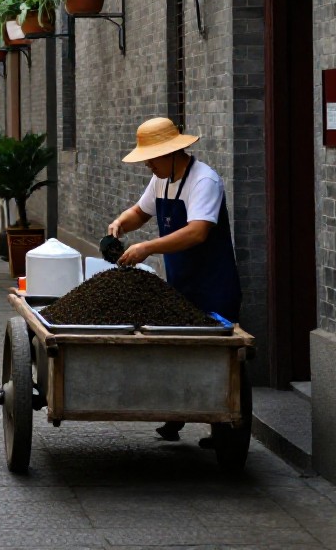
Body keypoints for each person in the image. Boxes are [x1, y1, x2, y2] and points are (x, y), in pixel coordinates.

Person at [106, 116, 242, 442]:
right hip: (182, 285)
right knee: (175, 352)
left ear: (170, 153)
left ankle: (222, 427)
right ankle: (174, 416)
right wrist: (121, 224)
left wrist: (146, 248)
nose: (148, 165)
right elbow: (141, 211)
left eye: (151, 158)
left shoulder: (203, 181)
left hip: (214, 287)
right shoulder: (161, 179)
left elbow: (197, 232)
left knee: (213, 360)